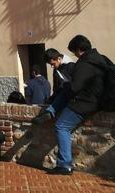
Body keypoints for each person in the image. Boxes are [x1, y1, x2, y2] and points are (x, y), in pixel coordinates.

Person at [31, 35, 106, 175]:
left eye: (74, 52)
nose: (75, 55)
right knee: (64, 92)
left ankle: (65, 165)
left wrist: (67, 87)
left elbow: (76, 86)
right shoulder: (98, 58)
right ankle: (51, 111)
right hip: (92, 99)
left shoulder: (84, 63)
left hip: (86, 102)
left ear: (78, 49)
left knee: (61, 126)